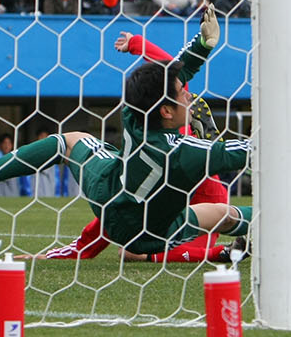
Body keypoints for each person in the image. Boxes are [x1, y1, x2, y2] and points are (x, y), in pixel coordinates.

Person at [0, 8, 291, 252]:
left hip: (107, 199)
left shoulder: (132, 114)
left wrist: (202, 46)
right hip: (152, 233)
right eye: (183, 96)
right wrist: (279, 127)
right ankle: (284, 210)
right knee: (221, 213)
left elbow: (167, 77)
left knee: (68, 141)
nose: (188, 98)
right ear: (166, 109)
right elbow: (250, 150)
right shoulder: (191, 153)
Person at [40, 30, 234, 263]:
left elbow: (114, 215)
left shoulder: (158, 138)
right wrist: (136, 44)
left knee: (132, 249)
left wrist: (137, 43)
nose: (185, 95)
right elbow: (171, 69)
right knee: (137, 243)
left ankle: (219, 251)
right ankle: (224, 251)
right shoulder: (156, 134)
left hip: (201, 196)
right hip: (198, 194)